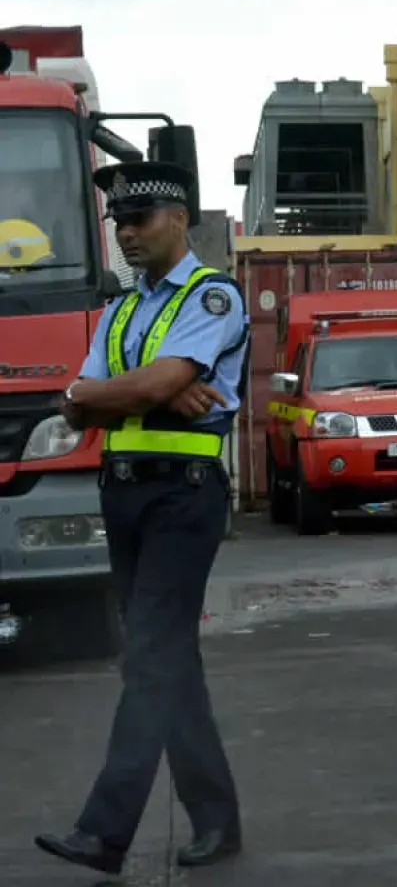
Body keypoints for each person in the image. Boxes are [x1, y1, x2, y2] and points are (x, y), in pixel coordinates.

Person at [34, 161, 248, 876]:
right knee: (165, 661)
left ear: (180, 219)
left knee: (150, 657)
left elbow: (145, 384)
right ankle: (217, 820)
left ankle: (105, 831)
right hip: (122, 491)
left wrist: (122, 392)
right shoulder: (122, 310)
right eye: (118, 222)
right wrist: (134, 392)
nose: (126, 233)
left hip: (184, 496)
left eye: (142, 220)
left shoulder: (211, 296)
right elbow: (73, 404)